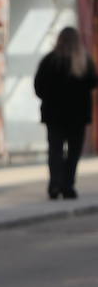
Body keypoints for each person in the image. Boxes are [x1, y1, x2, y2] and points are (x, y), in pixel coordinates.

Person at [32, 26, 97, 200]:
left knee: (55, 151)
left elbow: (38, 86)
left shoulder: (50, 61)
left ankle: (55, 184)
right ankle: (68, 186)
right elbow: (93, 83)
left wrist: (50, 98)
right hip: (78, 116)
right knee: (73, 153)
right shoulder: (84, 62)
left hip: (54, 115)